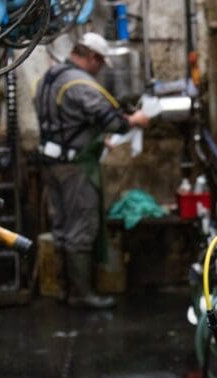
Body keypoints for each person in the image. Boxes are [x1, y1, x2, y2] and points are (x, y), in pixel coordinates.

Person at [34, 32, 149, 309]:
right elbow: (111, 120)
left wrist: (95, 137)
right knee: (81, 228)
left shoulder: (51, 76)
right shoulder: (81, 84)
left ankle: (63, 288)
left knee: (61, 226)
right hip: (74, 168)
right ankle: (82, 295)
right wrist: (134, 120)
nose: (99, 70)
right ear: (93, 57)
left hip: (51, 162)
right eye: (100, 63)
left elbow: (68, 120)